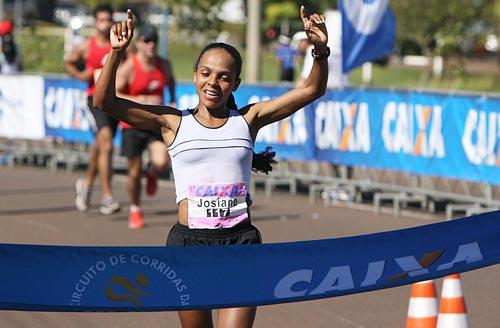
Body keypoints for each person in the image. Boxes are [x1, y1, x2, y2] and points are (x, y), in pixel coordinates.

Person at [94, 6, 328, 327]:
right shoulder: (172, 122)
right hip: (189, 245)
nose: (212, 83)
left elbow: (312, 90)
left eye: (223, 76)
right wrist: (116, 53)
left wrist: (320, 51)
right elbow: (104, 102)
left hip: (240, 243)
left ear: (235, 83)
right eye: (205, 73)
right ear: (194, 75)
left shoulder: (248, 119)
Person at [115, 24, 176, 229]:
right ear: (139, 42)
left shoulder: (163, 65)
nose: (151, 45)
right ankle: (135, 209)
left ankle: (151, 172)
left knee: (161, 163)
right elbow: (113, 93)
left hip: (154, 122)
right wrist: (136, 99)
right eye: (146, 41)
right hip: (131, 124)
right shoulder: (130, 66)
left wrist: (173, 100)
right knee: (134, 170)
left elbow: (171, 82)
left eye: (154, 42)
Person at [64, 4, 121, 215]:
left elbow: (131, 59)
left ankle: (86, 184)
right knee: (106, 145)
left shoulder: (118, 44)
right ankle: (107, 196)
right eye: (102, 20)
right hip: (94, 100)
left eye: (108, 20)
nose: (105, 24)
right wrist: (81, 75)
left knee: (100, 145)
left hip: (114, 99)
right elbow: (69, 61)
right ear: (96, 22)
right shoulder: (88, 46)